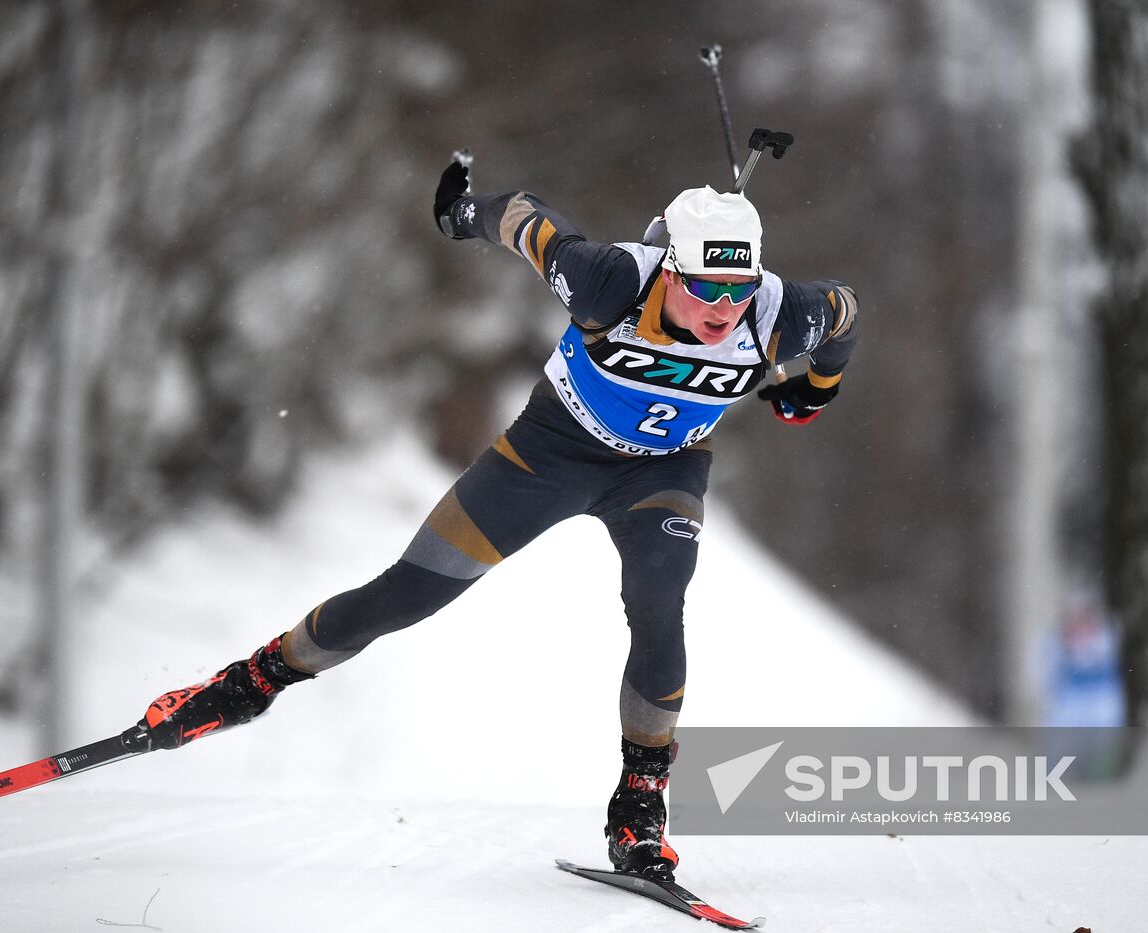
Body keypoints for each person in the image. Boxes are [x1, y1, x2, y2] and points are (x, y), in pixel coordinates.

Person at [135, 157, 860, 881]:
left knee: (659, 600)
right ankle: (246, 684)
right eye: (705, 286)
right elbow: (526, 220)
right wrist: (461, 214)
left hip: (661, 473)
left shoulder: (780, 312)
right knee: (407, 594)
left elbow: (846, 315)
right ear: (670, 269)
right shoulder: (609, 280)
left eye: (738, 288)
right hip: (549, 454)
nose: (722, 308)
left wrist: (813, 394)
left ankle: (639, 806)